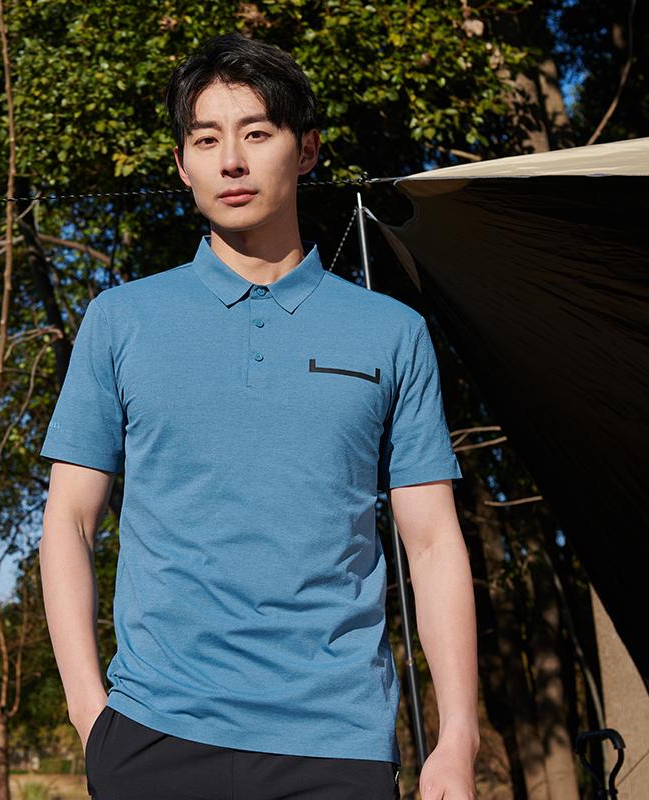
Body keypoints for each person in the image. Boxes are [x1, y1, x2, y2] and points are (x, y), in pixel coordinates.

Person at [39, 31, 479, 800]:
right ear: (183, 164)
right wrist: (91, 715)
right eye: (206, 139)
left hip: (337, 743)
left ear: (306, 150)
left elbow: (434, 543)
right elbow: (70, 522)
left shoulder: (391, 332)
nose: (231, 162)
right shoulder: (120, 320)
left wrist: (458, 738)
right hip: (152, 735)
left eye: (256, 133)